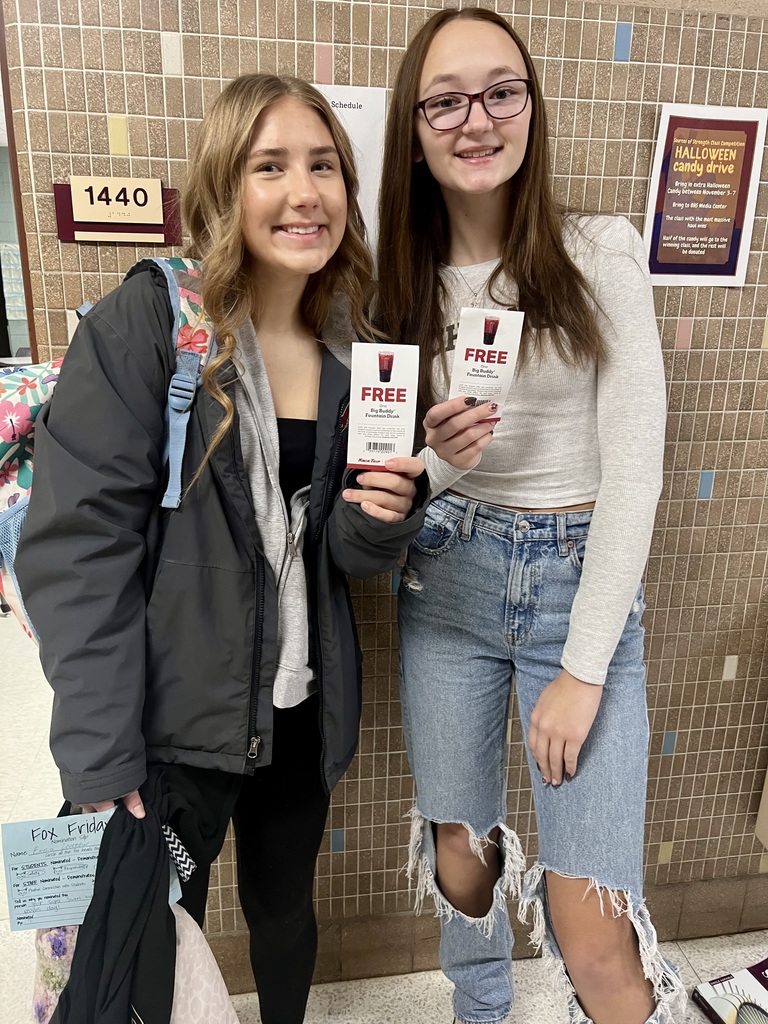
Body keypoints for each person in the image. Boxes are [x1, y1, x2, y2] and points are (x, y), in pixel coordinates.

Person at [16, 73, 428, 1024]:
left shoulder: (354, 345)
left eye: (323, 166)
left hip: (297, 709)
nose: (304, 192)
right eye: (269, 165)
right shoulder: (150, 326)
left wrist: (391, 510)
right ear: (223, 184)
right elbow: (78, 554)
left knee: (285, 913)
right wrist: (99, 755)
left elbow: (349, 553)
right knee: (164, 929)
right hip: (172, 722)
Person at [376, 9, 685, 1024]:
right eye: (446, 100)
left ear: (531, 105)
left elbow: (637, 466)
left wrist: (585, 665)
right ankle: (480, 1009)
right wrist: (434, 458)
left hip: (576, 588)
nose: (477, 119)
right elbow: (389, 475)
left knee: (593, 930)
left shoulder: (602, 253)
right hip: (449, 580)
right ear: (414, 128)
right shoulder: (394, 281)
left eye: (501, 90)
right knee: (462, 864)